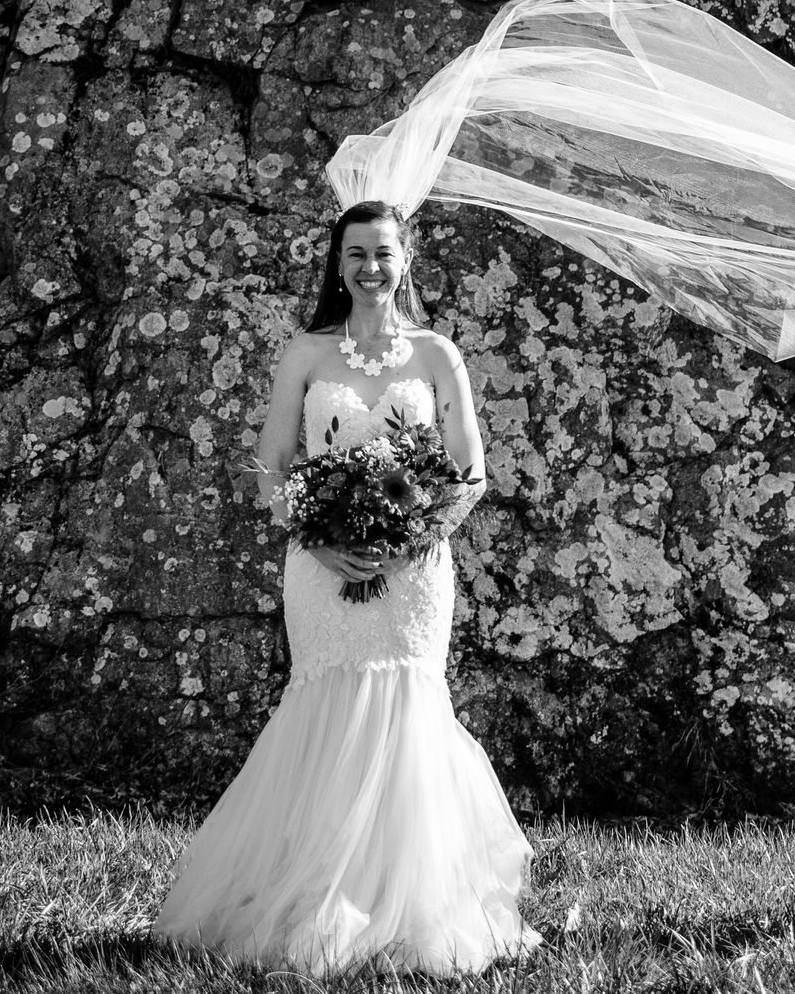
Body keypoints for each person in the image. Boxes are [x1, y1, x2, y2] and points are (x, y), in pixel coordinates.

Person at [154, 200, 539, 973]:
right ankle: (312, 895)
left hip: (415, 575)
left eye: (383, 254)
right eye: (356, 253)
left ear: (406, 261)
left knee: (405, 710)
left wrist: (410, 538)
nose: (370, 268)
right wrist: (320, 540)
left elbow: (470, 473)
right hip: (319, 569)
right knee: (325, 709)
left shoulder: (438, 355)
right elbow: (272, 467)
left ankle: (412, 905)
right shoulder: (305, 352)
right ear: (338, 262)